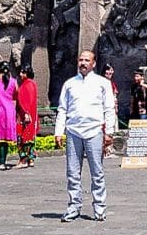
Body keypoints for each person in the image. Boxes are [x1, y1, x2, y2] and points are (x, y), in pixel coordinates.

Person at [55, 50, 116, 222]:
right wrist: (59, 131)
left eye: (86, 60)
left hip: (94, 130)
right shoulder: (69, 84)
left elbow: (109, 108)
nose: (83, 63)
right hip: (73, 130)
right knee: (73, 172)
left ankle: (99, 207)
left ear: (94, 63)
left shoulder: (102, 83)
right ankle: (74, 206)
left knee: (97, 171)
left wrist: (109, 132)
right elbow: (62, 109)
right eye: (80, 60)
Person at [15, 65, 38, 169]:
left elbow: (25, 100)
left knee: (22, 137)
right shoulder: (32, 84)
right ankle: (31, 159)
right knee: (30, 137)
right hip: (31, 114)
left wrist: (26, 112)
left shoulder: (26, 84)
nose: (20, 74)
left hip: (25, 115)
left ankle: (23, 159)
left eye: (23, 72)